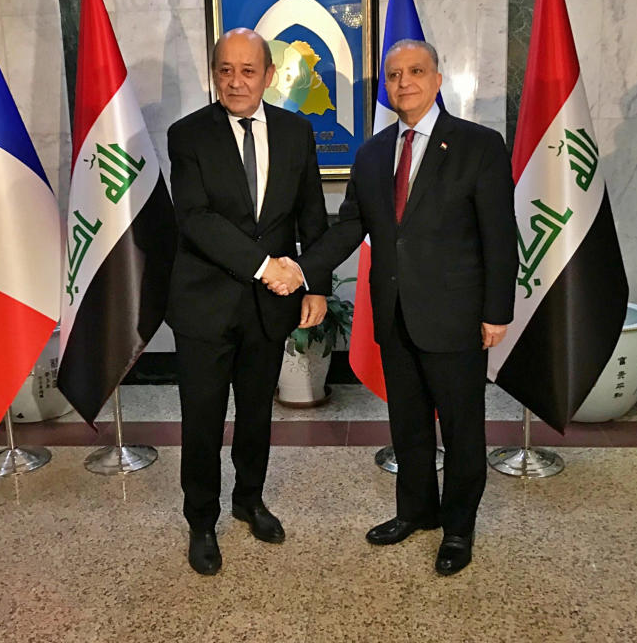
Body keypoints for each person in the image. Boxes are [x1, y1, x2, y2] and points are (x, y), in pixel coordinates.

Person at [271, 39, 518, 575]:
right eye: (394, 74)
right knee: (407, 424)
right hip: (394, 313)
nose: (404, 82)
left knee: (461, 428)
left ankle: (457, 528)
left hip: (455, 315)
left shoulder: (479, 145)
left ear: (437, 78)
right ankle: (416, 513)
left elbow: (500, 235)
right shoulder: (374, 152)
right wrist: (299, 268)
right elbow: (350, 228)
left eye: (415, 71)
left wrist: (498, 311)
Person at [166, 28, 328, 576]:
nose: (236, 81)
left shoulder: (296, 131)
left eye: (248, 70)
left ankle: (249, 499)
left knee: (257, 414)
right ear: (214, 74)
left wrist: (317, 284)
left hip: (270, 308)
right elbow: (197, 218)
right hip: (203, 307)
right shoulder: (187, 135)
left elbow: (310, 215)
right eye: (225, 70)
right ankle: (201, 520)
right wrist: (268, 267)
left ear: (269, 74)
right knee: (203, 421)